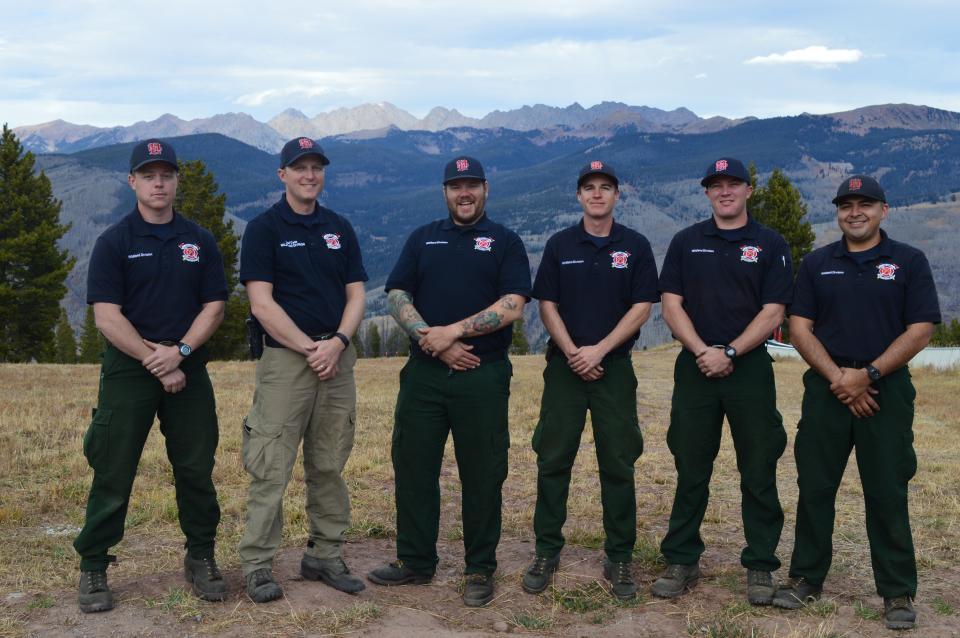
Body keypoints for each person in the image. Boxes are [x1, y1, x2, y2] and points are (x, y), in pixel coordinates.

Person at [773, 175, 940, 630]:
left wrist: (867, 375)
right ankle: (806, 578)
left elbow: (922, 328)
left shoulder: (907, 261)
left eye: (865, 203)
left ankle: (897, 591)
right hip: (827, 391)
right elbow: (799, 328)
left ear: (884, 210)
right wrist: (840, 379)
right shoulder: (817, 263)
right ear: (838, 213)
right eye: (846, 205)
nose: (855, 212)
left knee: (887, 490)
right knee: (816, 487)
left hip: (885, 390)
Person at [367, 155, 531, 607]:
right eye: (456, 186)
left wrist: (452, 333)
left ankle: (480, 568)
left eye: (473, 185)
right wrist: (428, 338)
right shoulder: (423, 238)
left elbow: (514, 304)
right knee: (414, 467)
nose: (465, 193)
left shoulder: (505, 241)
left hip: (483, 372)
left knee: (482, 472)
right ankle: (416, 561)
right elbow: (397, 292)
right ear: (445, 192)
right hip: (423, 373)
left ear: (486, 189)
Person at [75, 138, 228, 612]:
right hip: (129, 369)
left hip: (188, 365)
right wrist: (155, 360)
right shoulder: (115, 241)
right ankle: (94, 565)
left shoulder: (198, 240)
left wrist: (179, 353)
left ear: (177, 180)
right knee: (113, 469)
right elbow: (106, 316)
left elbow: (215, 306)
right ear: (133, 181)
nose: (158, 182)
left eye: (166, 174)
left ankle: (200, 556)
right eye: (148, 175)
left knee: (196, 469)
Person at [652, 157, 793, 605]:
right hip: (695, 366)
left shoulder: (769, 243)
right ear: (707, 193)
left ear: (749, 190)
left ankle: (760, 565)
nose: (725, 191)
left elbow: (774, 310)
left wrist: (730, 351)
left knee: (758, 466)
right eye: (717, 186)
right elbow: (671, 305)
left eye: (734, 184)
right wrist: (703, 352)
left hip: (749, 367)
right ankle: (681, 558)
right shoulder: (686, 241)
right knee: (690, 466)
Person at [238, 137, 368, 602]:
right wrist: (310, 347)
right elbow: (261, 302)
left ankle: (325, 554)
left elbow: (356, 294)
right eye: (299, 167)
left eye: (316, 167)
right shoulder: (264, 228)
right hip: (287, 362)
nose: (309, 175)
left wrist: (337, 343)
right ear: (282, 175)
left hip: (337, 358)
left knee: (330, 462)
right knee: (271, 465)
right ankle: (257, 564)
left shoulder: (339, 227)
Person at [522, 161, 658, 600]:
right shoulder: (561, 244)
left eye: (605, 188)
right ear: (578, 196)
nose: (597, 194)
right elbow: (547, 305)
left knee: (618, 463)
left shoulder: (634, 246)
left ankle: (619, 557)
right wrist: (573, 353)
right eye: (588, 188)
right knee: (552, 458)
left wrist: (598, 351)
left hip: (614, 369)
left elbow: (642, 307)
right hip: (564, 368)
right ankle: (546, 551)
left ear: (618, 195)